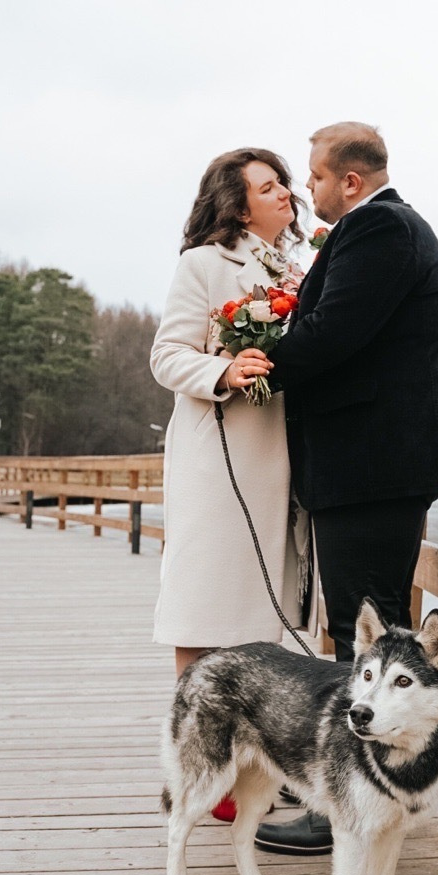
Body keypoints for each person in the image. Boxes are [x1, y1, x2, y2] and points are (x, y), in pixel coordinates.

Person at [254, 122, 438, 856]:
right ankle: (358, 785)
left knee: (365, 633)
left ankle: (349, 804)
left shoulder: (380, 229)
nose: (307, 191)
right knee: (363, 630)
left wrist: (258, 360)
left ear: (349, 181)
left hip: (373, 466)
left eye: (313, 178)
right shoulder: (381, 230)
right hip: (369, 466)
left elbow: (333, 331)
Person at [151, 147, 315, 817]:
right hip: (216, 461)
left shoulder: (300, 269)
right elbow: (167, 354)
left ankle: (248, 763)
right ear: (236, 203)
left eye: (283, 186)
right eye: (268, 187)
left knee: (258, 610)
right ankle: (195, 764)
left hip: (280, 460)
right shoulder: (201, 264)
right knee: (203, 603)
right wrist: (221, 371)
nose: (285, 195)